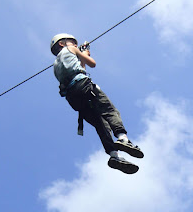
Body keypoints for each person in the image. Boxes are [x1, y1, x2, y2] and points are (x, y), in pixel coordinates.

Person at [50, 33, 143, 174]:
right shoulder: (71, 49)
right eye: (72, 42)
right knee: (109, 110)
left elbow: (80, 70)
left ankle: (114, 155)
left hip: (73, 98)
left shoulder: (56, 65)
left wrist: (81, 56)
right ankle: (122, 138)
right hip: (84, 86)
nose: (75, 45)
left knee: (101, 124)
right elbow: (92, 64)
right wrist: (85, 54)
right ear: (62, 43)